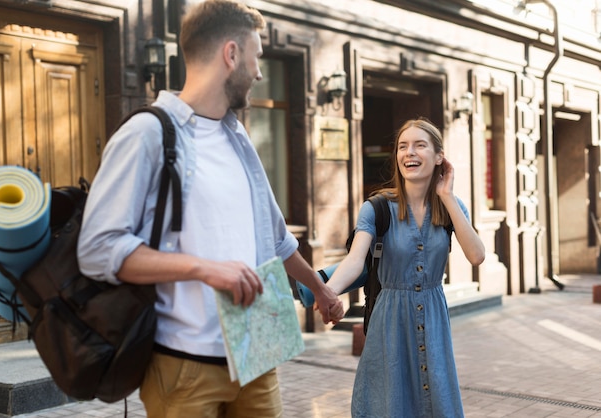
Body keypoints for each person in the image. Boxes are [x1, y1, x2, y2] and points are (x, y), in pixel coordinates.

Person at [77, 1, 343, 417]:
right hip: (182, 364)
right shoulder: (147, 133)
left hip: (257, 350)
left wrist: (321, 289)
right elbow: (98, 249)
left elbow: (273, 236)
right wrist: (202, 268)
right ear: (231, 54)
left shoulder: (238, 139)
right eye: (256, 58)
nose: (258, 72)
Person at [326, 118, 485, 417]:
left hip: (434, 318)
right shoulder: (377, 208)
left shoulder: (450, 207)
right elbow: (355, 260)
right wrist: (328, 293)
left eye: (419, 145)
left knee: (435, 399)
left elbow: (476, 256)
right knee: (390, 404)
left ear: (439, 156)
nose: (408, 153)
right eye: (402, 146)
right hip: (390, 323)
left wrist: (447, 196)